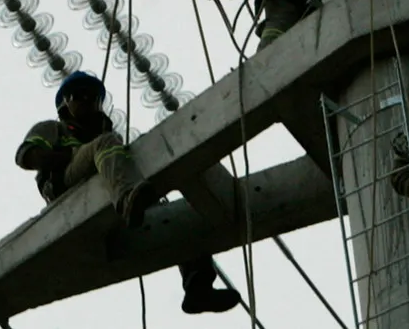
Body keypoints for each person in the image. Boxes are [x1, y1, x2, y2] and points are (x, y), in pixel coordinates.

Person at [15, 72, 241, 316]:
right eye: (77, 96)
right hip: (66, 187)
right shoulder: (54, 129)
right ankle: (127, 198)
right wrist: (69, 156)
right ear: (64, 104)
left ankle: (198, 285)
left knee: (175, 217)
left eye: (92, 97)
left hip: (102, 186)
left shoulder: (102, 137)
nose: (85, 100)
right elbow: (27, 156)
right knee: (106, 144)